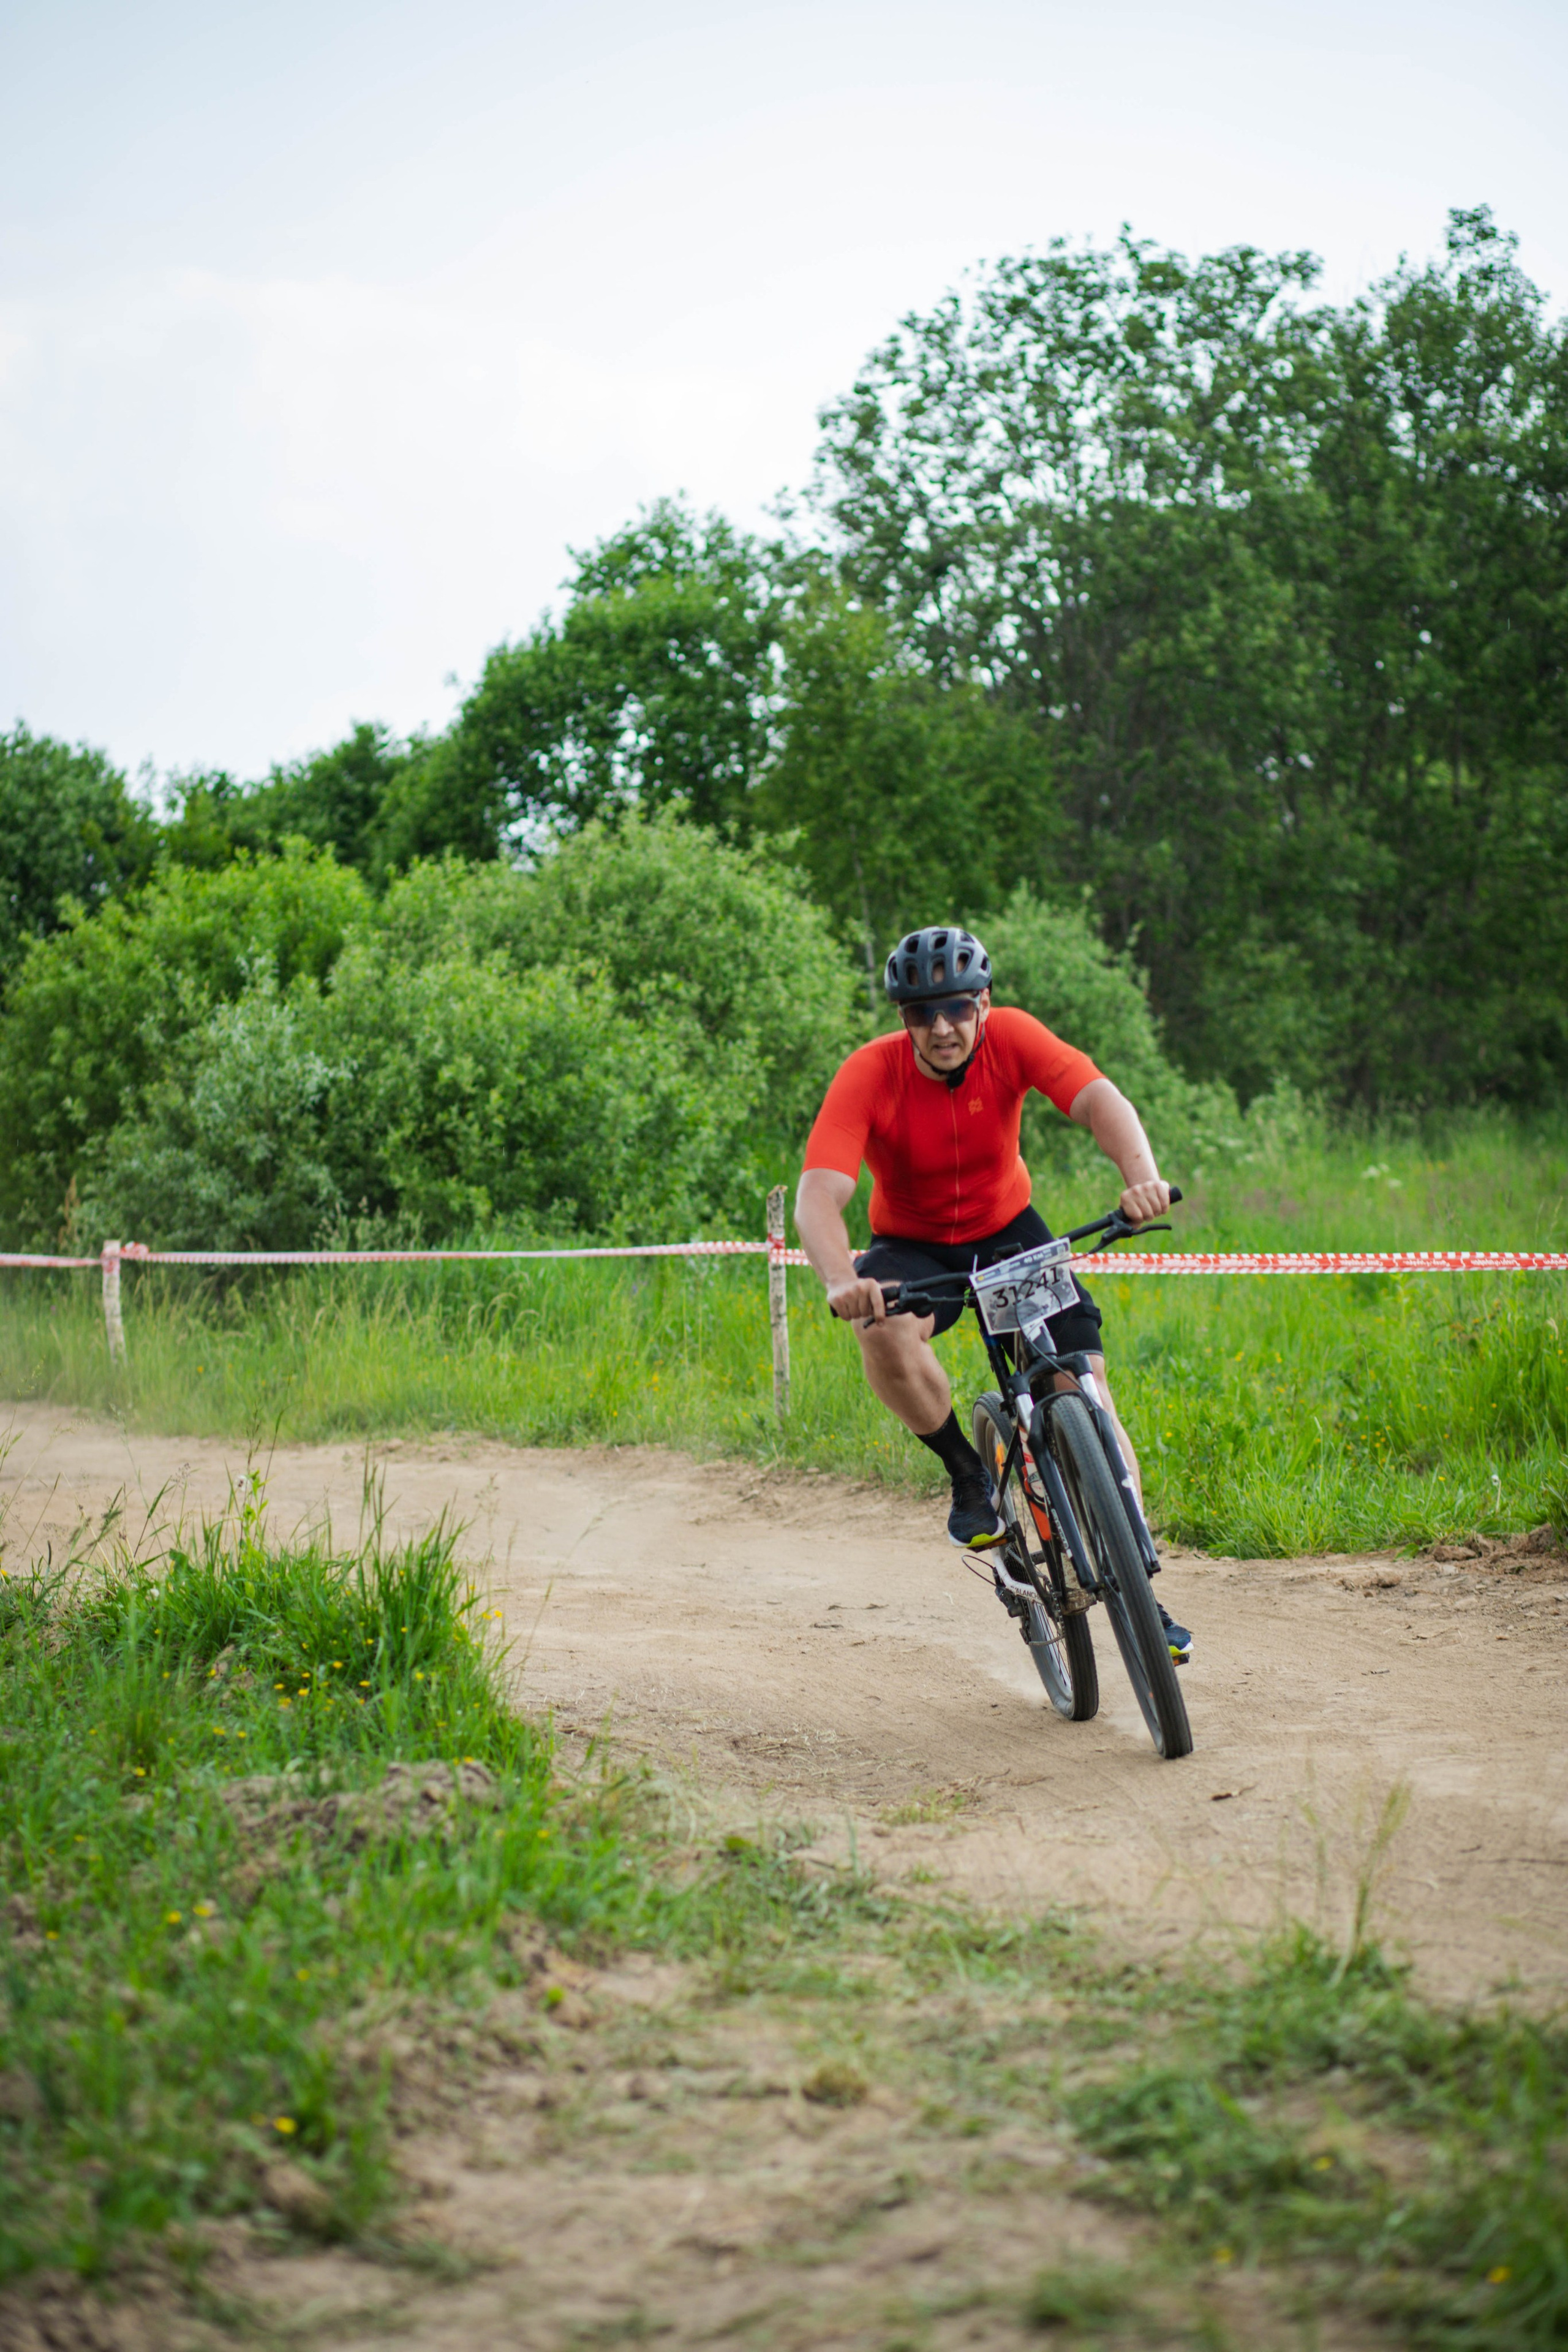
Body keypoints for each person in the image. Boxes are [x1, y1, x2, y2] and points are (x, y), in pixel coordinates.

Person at [794, 923, 1191, 1664]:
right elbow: (820, 1191)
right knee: (879, 1332)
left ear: (983, 1003)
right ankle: (966, 1472)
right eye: (921, 1014)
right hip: (913, 1248)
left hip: (1009, 1235)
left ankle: (1140, 1584)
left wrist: (1140, 1176)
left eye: (956, 1009)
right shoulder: (871, 1072)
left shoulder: (1012, 1037)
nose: (941, 1028)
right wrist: (841, 1281)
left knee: (1085, 1388)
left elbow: (1098, 1099)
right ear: (902, 1018)